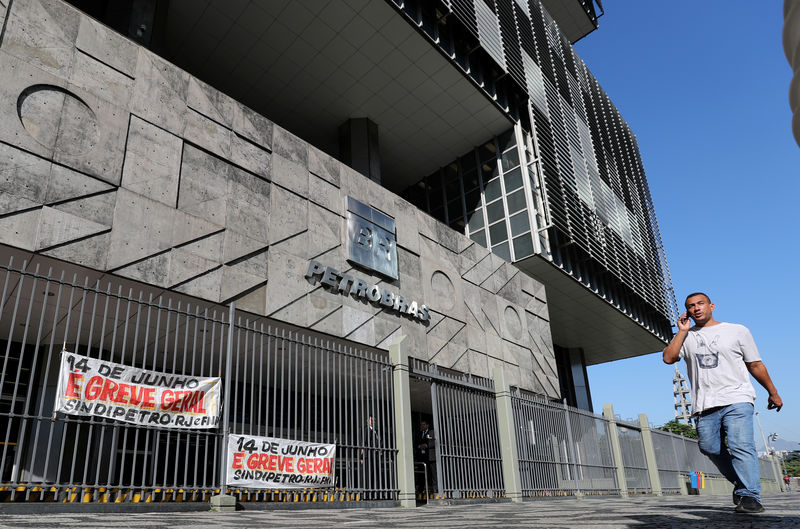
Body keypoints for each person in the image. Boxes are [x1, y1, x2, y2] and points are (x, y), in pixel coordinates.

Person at [663, 292, 783, 514]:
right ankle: (742, 485)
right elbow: (669, 358)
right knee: (709, 448)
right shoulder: (686, 336)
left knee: (740, 446)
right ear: (687, 311)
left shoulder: (737, 330)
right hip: (704, 404)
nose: (696, 308)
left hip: (737, 398)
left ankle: (750, 496)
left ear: (712, 306)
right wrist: (681, 332)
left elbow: (755, 364)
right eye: (691, 306)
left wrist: (772, 392)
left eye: (700, 304)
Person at [360, 415, 382, 498]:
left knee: (375, 473)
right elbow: (363, 443)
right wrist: (361, 457)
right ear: (368, 421)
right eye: (371, 420)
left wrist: (380, 449)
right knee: (368, 474)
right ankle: (367, 494)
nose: (372, 421)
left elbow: (380, 441)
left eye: (374, 420)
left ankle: (375, 493)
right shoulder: (365, 430)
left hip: (375, 455)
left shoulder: (377, 431)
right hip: (368, 455)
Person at [415, 420, 436, 494]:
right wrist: (419, 446)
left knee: (432, 473)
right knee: (421, 474)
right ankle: (421, 489)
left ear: (427, 425)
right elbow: (416, 442)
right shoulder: (419, 433)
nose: (422, 426)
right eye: (421, 425)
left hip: (429, 456)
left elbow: (434, 442)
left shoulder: (431, 432)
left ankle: (434, 489)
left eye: (423, 425)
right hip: (421, 457)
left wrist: (426, 445)